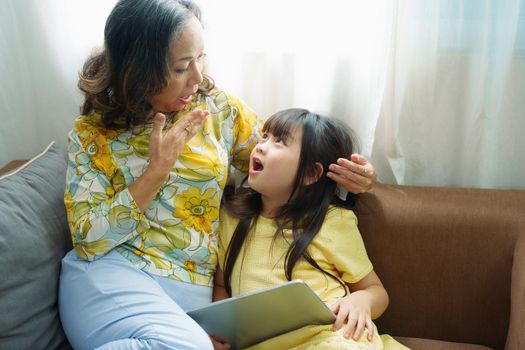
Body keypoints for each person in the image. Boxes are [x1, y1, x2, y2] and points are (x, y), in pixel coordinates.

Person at [58, 1, 378, 349]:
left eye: (200, 58)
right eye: (182, 66)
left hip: (191, 293)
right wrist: (156, 171)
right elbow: (89, 241)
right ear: (141, 71)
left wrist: (355, 174)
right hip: (116, 275)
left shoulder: (218, 109)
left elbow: (287, 160)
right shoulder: (92, 135)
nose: (197, 77)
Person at [215, 109, 407, 349]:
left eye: (280, 141)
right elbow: (221, 285)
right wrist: (218, 331)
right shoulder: (232, 218)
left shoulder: (332, 221)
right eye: (264, 137)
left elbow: (375, 290)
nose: (261, 146)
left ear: (310, 173)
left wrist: (361, 301)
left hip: (330, 338)